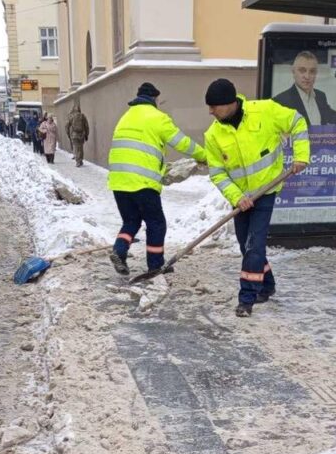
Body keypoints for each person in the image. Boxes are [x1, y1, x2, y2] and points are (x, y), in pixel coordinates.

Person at [203, 78, 309, 318]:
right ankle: (268, 285)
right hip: (241, 198)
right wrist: (237, 196)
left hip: (266, 191)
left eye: (214, 106)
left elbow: (297, 122)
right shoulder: (213, 135)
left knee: (254, 245)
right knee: (246, 245)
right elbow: (218, 173)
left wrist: (301, 155)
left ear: (229, 103)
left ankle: (247, 298)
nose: (210, 112)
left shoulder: (265, 111)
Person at [107, 82, 206, 275]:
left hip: (118, 181)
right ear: (154, 99)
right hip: (142, 182)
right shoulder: (157, 118)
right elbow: (182, 142)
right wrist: (204, 155)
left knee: (131, 221)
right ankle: (155, 265)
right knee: (156, 223)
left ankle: (119, 251)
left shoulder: (125, 117)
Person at [272, 51, 336, 128]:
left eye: (312, 71)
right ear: (293, 72)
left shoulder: (320, 96)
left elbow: (332, 115)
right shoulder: (281, 101)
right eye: (302, 70)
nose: (307, 76)